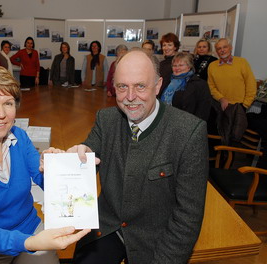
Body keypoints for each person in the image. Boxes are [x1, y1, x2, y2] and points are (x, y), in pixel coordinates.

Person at [68, 48, 208, 264]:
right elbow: (87, 155)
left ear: (158, 85)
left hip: (156, 238)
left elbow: (188, 216)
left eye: (140, 86)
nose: (130, 97)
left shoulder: (189, 132)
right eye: (122, 87)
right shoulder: (106, 119)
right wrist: (67, 162)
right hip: (107, 228)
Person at [0, 66, 90, 263]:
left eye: (8, 103)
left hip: (30, 229)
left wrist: (58, 169)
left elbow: (47, 184)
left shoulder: (19, 137)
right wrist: (30, 243)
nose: (1, 114)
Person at [208, 38, 256, 111]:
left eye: (225, 47)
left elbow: (251, 85)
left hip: (239, 106)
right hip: (219, 105)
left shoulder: (242, 62)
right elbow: (211, 87)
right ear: (216, 52)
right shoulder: (212, 66)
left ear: (231, 48)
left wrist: (245, 105)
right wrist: (221, 99)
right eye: (219, 48)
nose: (222, 50)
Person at [160, 52, 211, 121]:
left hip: (187, 124)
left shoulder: (200, 84)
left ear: (189, 66)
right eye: (174, 65)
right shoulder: (166, 81)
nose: (177, 68)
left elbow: (203, 110)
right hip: (164, 121)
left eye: (181, 65)